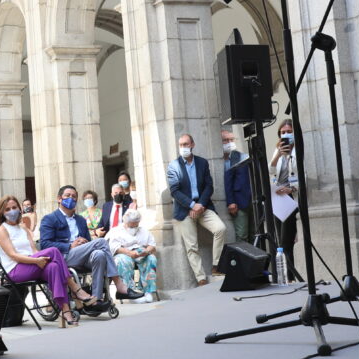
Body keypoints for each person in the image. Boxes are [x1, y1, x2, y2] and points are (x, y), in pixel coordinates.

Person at [38, 185, 144, 308]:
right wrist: (70, 245)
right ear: (59, 199)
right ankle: (119, 284)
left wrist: (84, 244)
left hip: (83, 256)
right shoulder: (50, 219)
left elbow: (89, 242)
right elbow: (45, 244)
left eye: (74, 196)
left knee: (99, 254)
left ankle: (96, 299)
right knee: (101, 242)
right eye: (67, 196)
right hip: (64, 257)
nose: (71, 198)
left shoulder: (81, 220)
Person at [0, 195, 88, 326]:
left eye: (14, 207)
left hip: (32, 265)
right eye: (7, 209)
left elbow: (34, 251)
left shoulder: (23, 228)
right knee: (53, 250)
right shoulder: (2, 230)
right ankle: (75, 288)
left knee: (54, 267)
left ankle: (65, 310)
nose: (12, 211)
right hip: (15, 269)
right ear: (2, 212)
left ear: (19, 209)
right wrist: (36, 261)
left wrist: (40, 259)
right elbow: (13, 255)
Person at [166, 132, 228, 286]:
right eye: (181, 145)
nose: (183, 148)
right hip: (185, 210)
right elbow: (174, 191)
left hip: (203, 206)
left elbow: (209, 186)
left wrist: (200, 204)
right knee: (192, 246)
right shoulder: (173, 166)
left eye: (186, 144)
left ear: (192, 145)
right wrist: (192, 205)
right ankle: (201, 278)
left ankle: (216, 266)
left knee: (220, 228)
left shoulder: (202, 163)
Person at [268, 119, 302, 277]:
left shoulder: (299, 149)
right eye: (283, 132)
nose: (286, 135)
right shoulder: (279, 149)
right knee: (280, 239)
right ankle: (285, 274)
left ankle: (290, 275)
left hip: (291, 197)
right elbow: (271, 169)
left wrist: (292, 188)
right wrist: (279, 154)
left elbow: (303, 174)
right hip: (278, 198)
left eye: (289, 131)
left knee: (286, 239)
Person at [108, 208, 159, 301]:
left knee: (151, 258)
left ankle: (148, 291)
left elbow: (152, 245)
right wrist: (129, 253)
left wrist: (146, 251)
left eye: (136, 225)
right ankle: (130, 291)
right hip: (124, 253)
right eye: (131, 226)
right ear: (125, 222)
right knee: (122, 261)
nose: (134, 228)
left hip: (141, 253)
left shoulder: (143, 230)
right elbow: (114, 247)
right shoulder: (116, 231)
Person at [222, 128, 254, 243]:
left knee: (254, 233)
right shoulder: (220, 160)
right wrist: (231, 201)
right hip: (238, 203)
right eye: (226, 140)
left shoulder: (241, 157)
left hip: (249, 200)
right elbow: (228, 182)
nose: (229, 143)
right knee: (242, 235)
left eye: (232, 140)